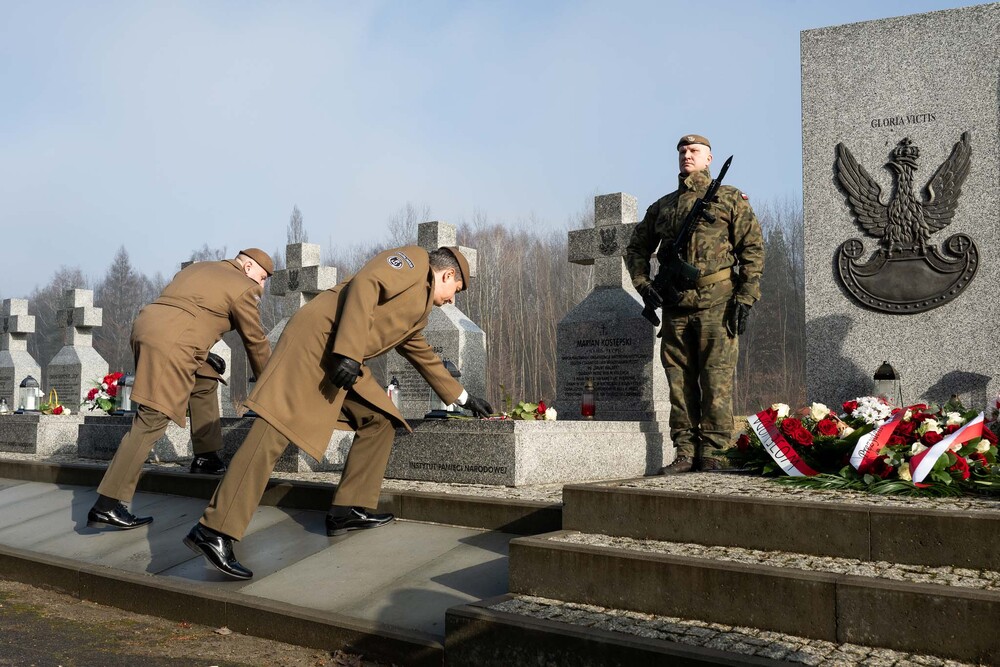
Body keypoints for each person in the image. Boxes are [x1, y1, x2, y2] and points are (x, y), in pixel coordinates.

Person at [183, 245, 493, 580]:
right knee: (272, 434)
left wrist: (462, 397)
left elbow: (418, 348)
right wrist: (348, 350)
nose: (451, 300)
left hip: (342, 357)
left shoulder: (418, 307)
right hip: (319, 343)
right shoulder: (414, 262)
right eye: (455, 291)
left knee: (379, 419)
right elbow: (365, 285)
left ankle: (348, 508)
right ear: (447, 275)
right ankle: (214, 529)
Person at [86, 249, 274, 529]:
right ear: (247, 266)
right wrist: (271, 386)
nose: (260, 286)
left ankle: (206, 455)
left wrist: (202, 353)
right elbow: (255, 341)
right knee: (152, 418)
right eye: (261, 278)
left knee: (205, 378)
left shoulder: (197, 269)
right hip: (171, 342)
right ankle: (108, 503)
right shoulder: (244, 287)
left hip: (149, 328)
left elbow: (186, 311)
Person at [625, 134, 764, 473]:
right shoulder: (663, 206)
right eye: (683, 151)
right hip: (676, 307)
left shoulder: (730, 198)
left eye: (694, 151)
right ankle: (685, 451)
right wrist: (645, 287)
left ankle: (714, 452)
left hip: (718, 303)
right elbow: (636, 250)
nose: (687, 155)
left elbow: (753, 251)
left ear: (709, 159)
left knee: (716, 381)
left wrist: (745, 297)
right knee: (679, 382)